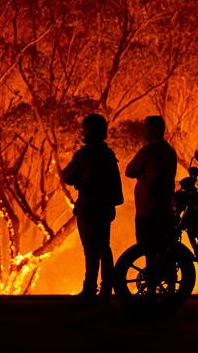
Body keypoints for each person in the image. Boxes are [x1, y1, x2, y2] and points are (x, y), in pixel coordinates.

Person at [62, 113, 124, 304]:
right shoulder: (108, 154)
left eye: (85, 128)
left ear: (91, 130)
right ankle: (106, 288)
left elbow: (67, 176)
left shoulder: (84, 155)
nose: (83, 131)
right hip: (105, 207)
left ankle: (90, 288)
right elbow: (116, 185)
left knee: (90, 249)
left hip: (88, 206)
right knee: (104, 248)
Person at [125, 115, 177, 248]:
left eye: (146, 127)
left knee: (147, 249)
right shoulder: (170, 152)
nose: (143, 130)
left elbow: (130, 171)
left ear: (157, 130)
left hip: (147, 212)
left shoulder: (149, 151)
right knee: (164, 251)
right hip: (165, 211)